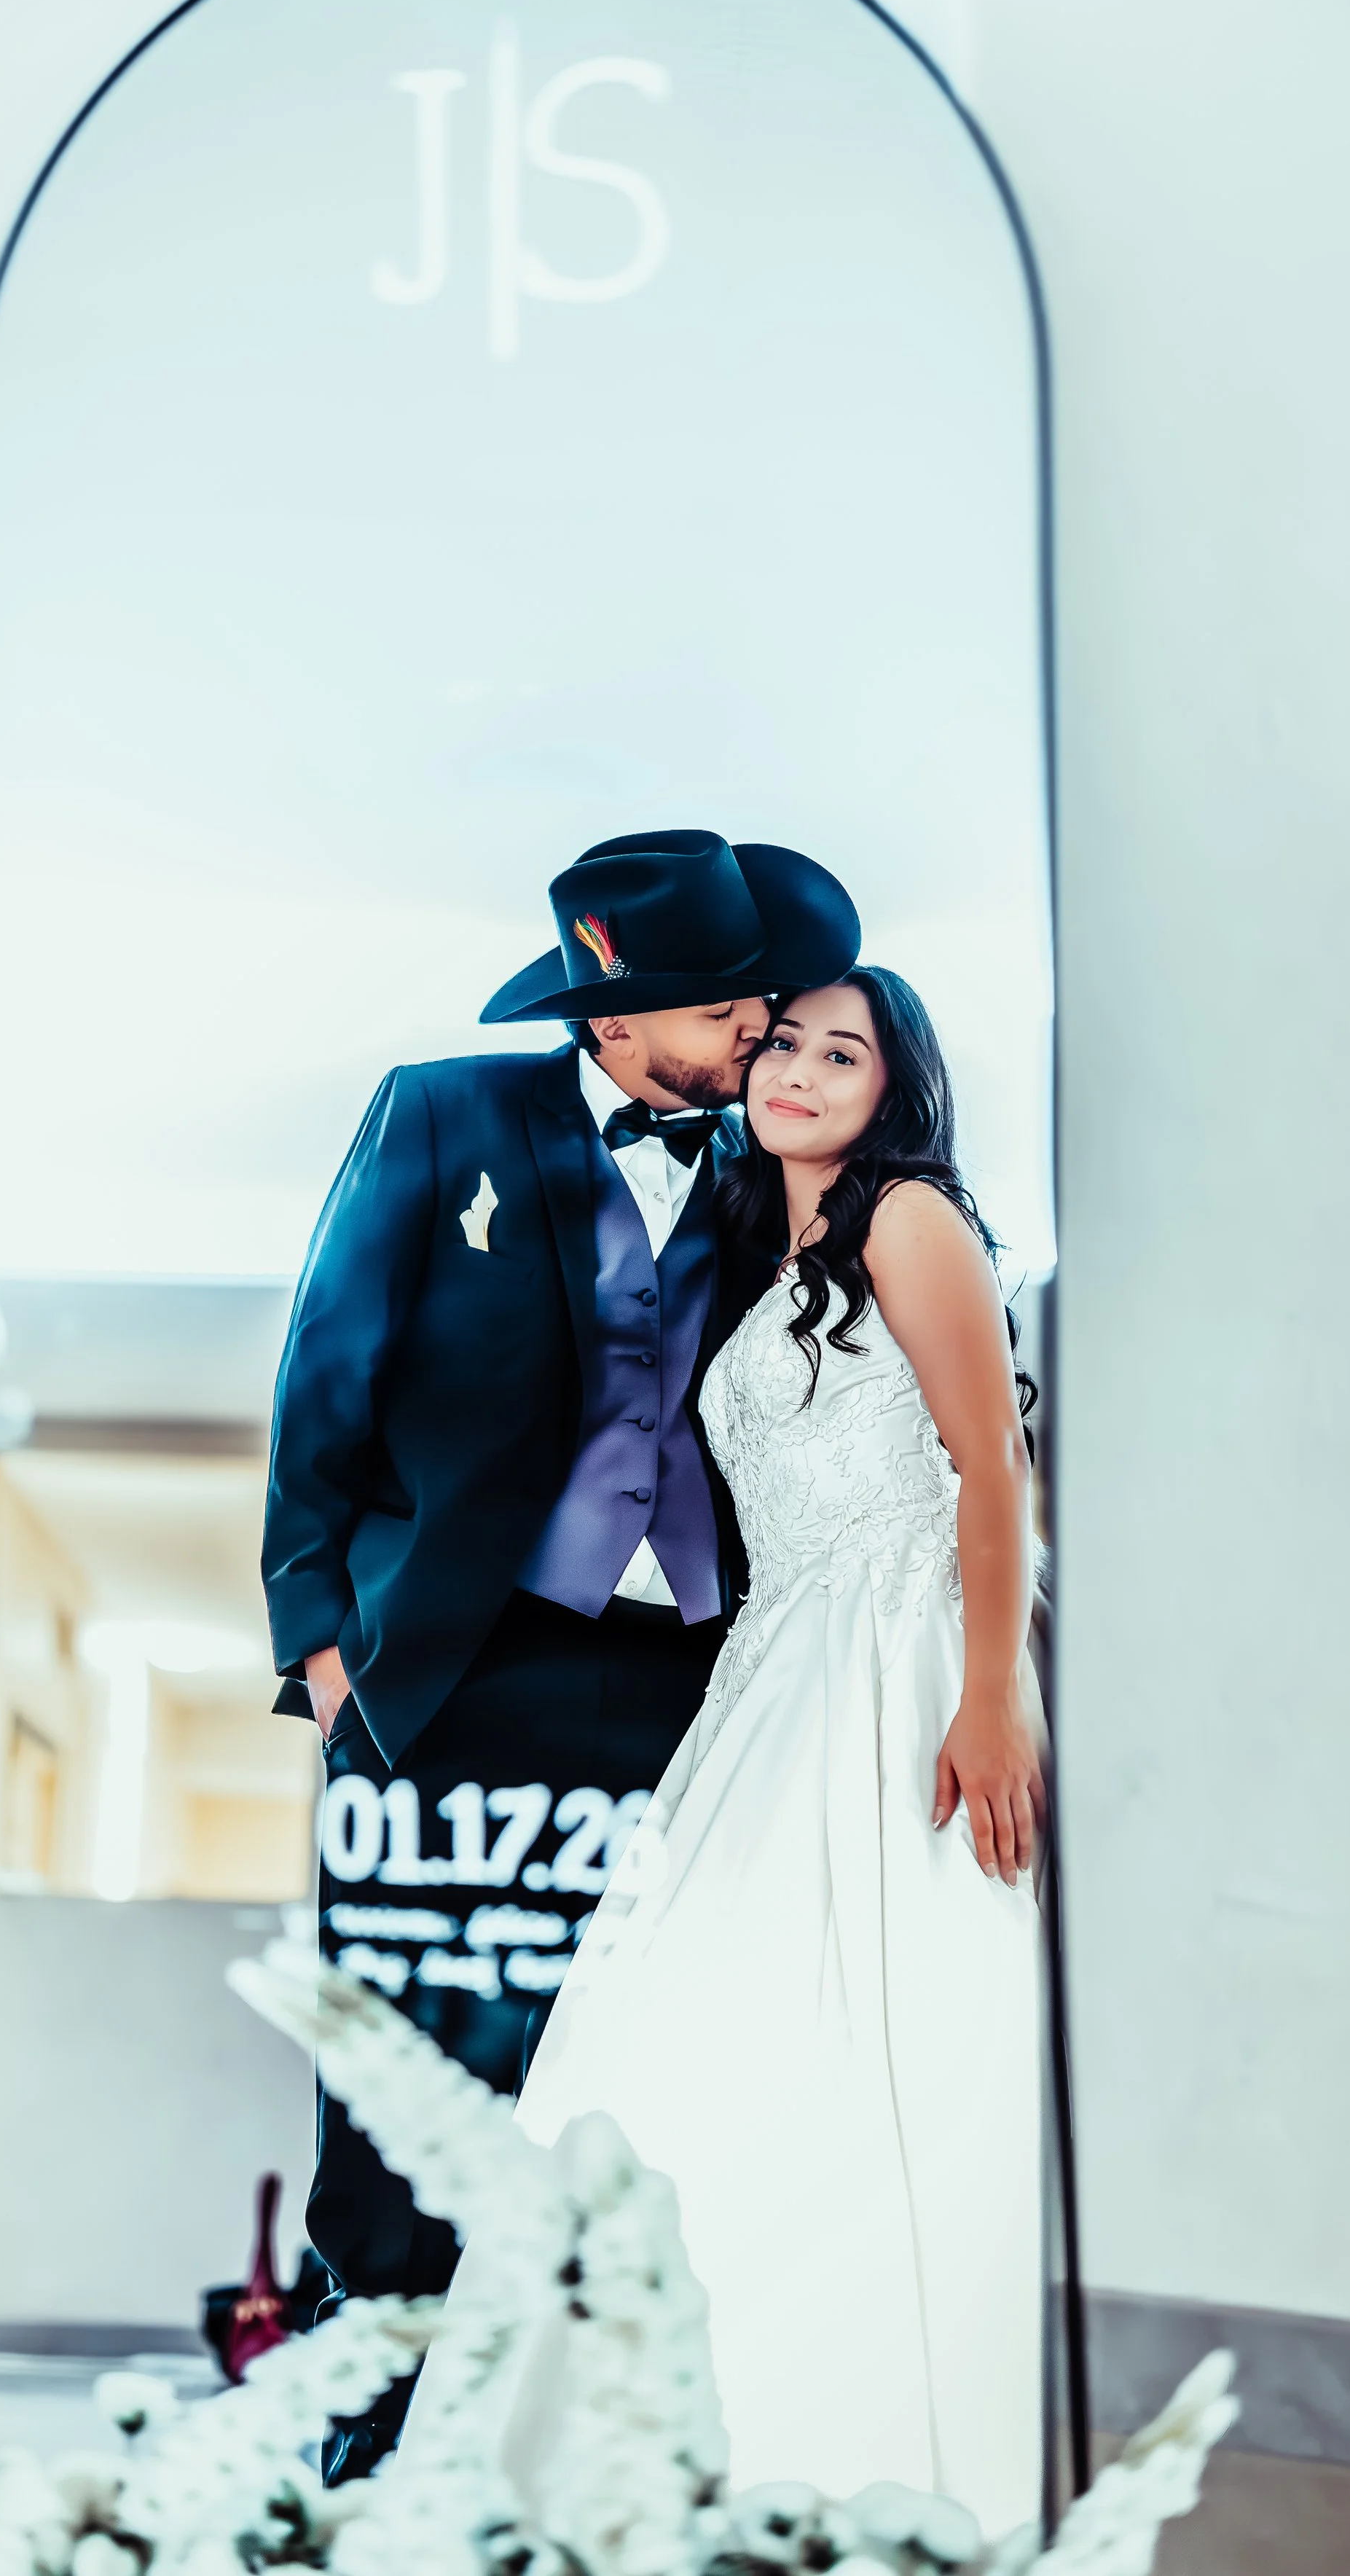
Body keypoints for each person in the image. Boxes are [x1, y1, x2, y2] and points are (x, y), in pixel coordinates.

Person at [410, 964, 1046, 2539]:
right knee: (691, 2037)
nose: (799, 1073)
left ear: (891, 1089)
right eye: (780, 1045)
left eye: (844, 1053)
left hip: (894, 1669)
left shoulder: (909, 1219)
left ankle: (862, 2443)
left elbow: (991, 1468)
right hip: (774, 1676)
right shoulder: (774, 1254)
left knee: (872, 2014)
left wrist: (986, 1691)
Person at [261, 827, 861, 2479]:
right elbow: (327, 1368)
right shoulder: (439, 1114)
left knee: (621, 2064)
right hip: (449, 1670)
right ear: (615, 1015)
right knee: (401, 2059)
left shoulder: (773, 1158)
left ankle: (568, 2441)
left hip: (689, 1683)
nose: (756, 1020)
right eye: (724, 1000)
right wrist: (319, 1644)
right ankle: (365, 2438)